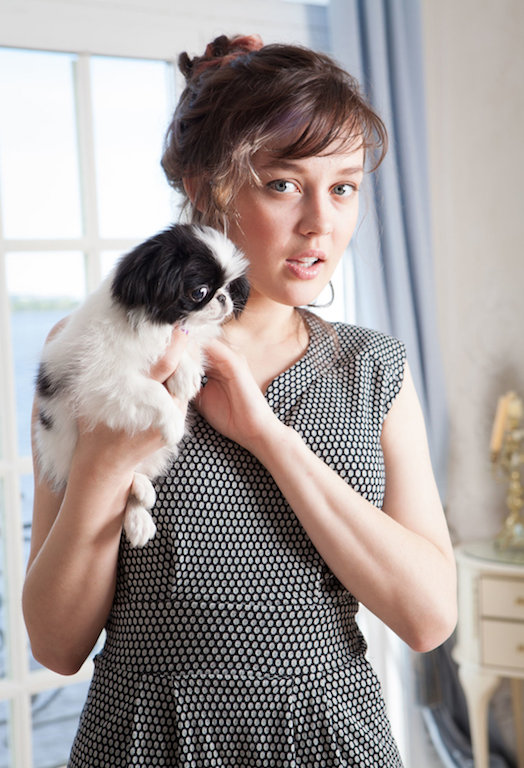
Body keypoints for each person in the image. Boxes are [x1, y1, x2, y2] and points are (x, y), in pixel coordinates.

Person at [23, 33, 457, 767]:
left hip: (329, 739)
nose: (320, 222)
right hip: (146, 739)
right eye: (283, 184)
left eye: (344, 187)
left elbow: (429, 618)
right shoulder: (95, 352)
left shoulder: (372, 366)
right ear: (206, 187)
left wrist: (269, 438)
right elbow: (55, 645)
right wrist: (106, 460)